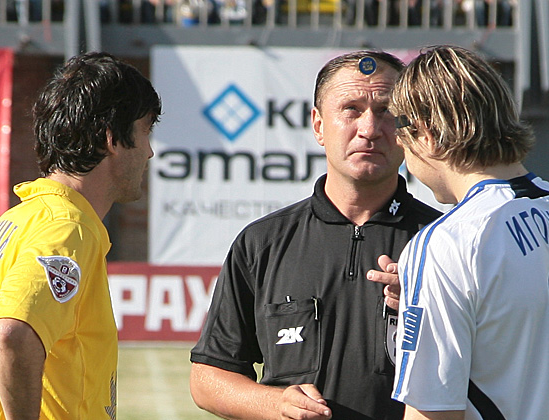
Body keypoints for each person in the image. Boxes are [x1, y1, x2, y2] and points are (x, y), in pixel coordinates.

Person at [189, 50, 441, 420]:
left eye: (386, 111)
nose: (370, 129)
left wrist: (431, 307)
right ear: (319, 126)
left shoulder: (445, 242)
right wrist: (275, 404)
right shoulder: (263, 243)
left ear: (408, 128)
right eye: (351, 110)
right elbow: (208, 378)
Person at [389, 45, 549, 419]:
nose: (399, 143)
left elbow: (432, 413)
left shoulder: (447, 244)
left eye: (400, 127)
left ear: (426, 134)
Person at [0, 51, 161, 419]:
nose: (150, 152)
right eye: (145, 131)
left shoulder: (16, 221)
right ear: (111, 138)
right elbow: (12, 332)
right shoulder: (68, 228)